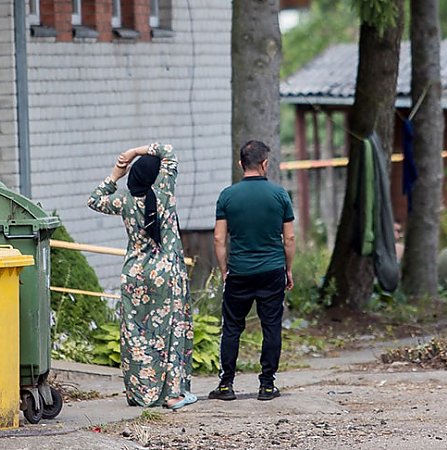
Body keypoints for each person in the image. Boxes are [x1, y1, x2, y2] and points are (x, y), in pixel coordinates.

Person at [87, 142, 197, 410]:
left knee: (136, 334)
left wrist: (116, 172)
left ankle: (141, 394)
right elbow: (169, 152)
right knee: (171, 331)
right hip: (166, 273)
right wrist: (137, 151)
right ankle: (172, 394)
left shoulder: (124, 200)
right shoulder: (163, 193)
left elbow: (94, 199)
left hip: (135, 274)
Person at [210, 140, 296, 402]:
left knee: (232, 328)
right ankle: (267, 386)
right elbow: (289, 239)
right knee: (271, 327)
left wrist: (225, 269)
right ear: (265, 163)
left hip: (239, 272)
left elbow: (218, 239)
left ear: (240, 164)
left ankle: (226, 385)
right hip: (271, 271)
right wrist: (288, 270)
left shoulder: (227, 195)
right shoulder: (280, 195)